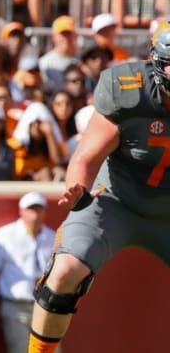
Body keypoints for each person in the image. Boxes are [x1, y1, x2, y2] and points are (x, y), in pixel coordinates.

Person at [26, 19, 170, 353]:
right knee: (63, 273)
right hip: (116, 199)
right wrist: (77, 188)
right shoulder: (127, 89)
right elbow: (87, 156)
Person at [0, 192, 56, 353]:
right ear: (21, 211)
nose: (35, 214)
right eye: (31, 209)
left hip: (46, 307)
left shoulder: (52, 237)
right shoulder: (3, 236)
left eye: (39, 209)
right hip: (17, 307)